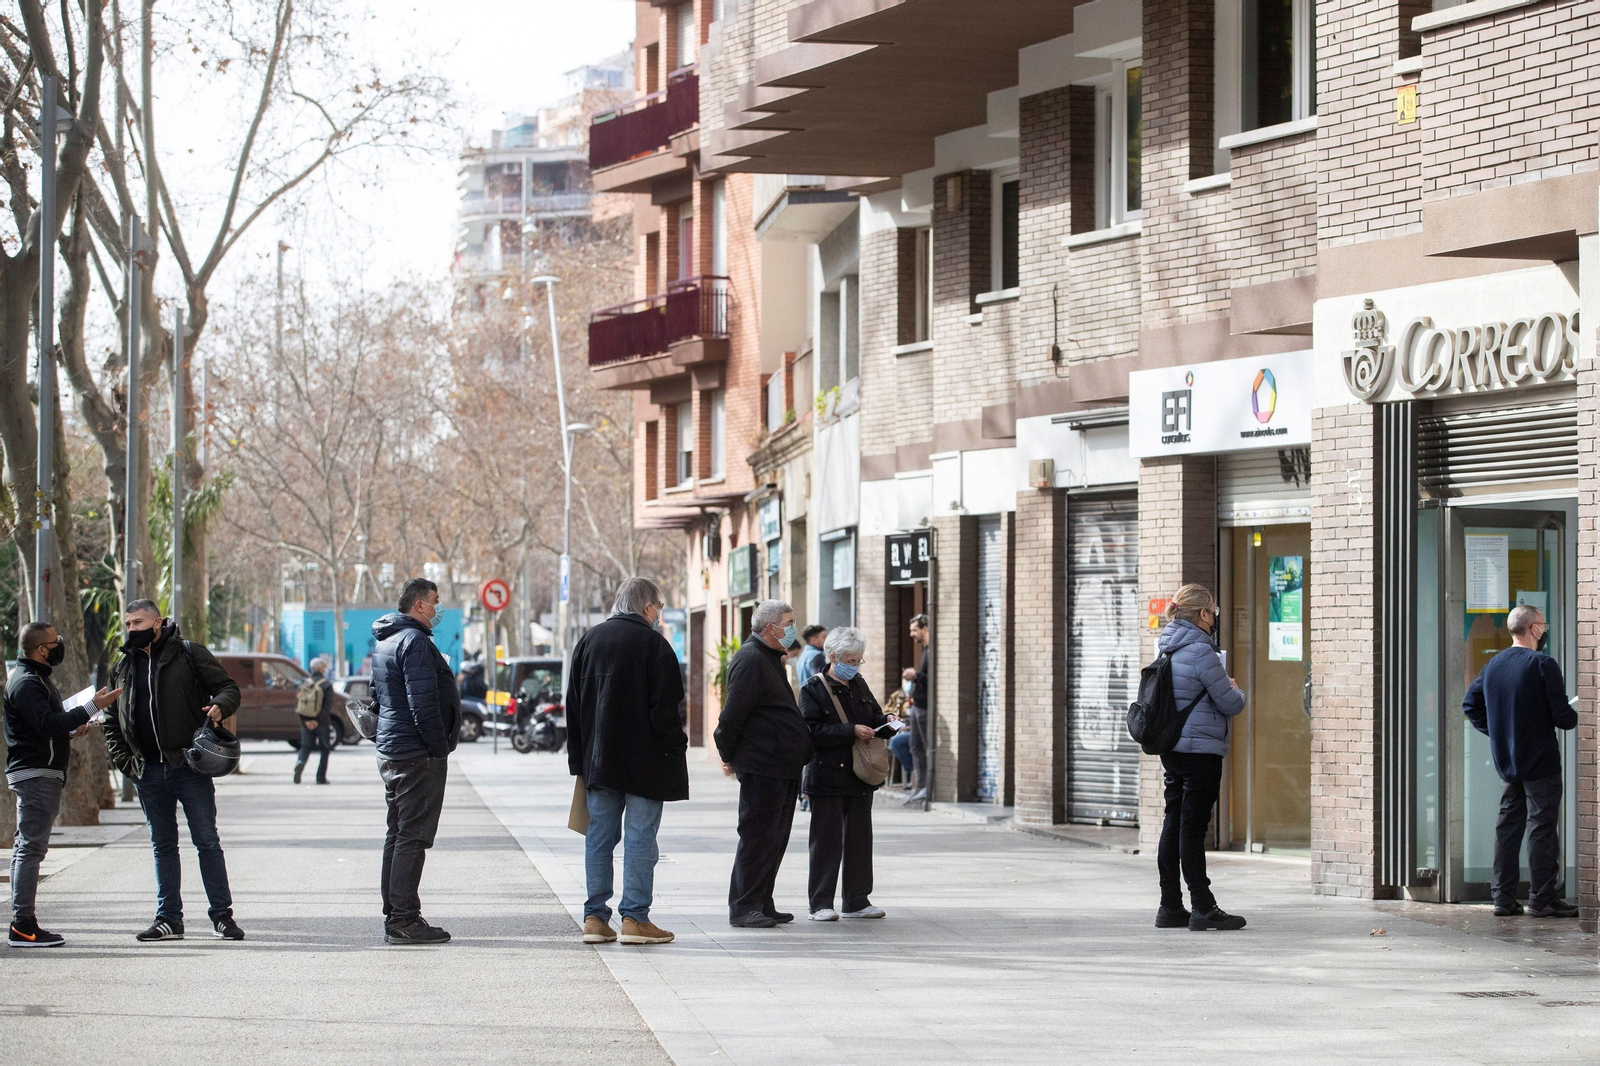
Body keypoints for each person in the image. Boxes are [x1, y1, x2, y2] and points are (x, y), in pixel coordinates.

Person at [102, 599, 245, 942]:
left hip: (189, 767)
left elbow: (229, 688)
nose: (131, 629)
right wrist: (127, 764)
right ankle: (168, 919)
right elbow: (110, 720)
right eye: (128, 624)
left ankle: (222, 917)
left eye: (138, 623)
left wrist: (219, 706)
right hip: (147, 772)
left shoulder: (189, 654)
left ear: (158, 622)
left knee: (207, 842)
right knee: (162, 845)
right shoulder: (122, 666)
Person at [566, 577, 687, 947]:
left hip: (599, 762)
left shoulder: (589, 641)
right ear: (648, 607)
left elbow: (574, 707)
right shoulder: (655, 646)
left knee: (599, 837)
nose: (660, 614)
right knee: (639, 838)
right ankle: (634, 918)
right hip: (646, 762)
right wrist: (676, 748)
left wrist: (580, 762)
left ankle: (595, 918)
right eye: (660, 606)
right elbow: (666, 712)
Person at [5, 622, 120, 947]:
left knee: (26, 847)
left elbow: (45, 727)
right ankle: (23, 925)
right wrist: (91, 707)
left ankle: (22, 922)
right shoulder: (27, 682)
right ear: (41, 649)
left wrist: (72, 728)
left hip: (39, 771)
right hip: (35, 774)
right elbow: (45, 724)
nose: (60, 644)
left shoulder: (36, 680)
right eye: (56, 641)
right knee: (31, 848)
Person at [1462, 604, 1580, 918]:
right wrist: (1576, 711)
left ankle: (1502, 899)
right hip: (1541, 761)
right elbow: (1564, 718)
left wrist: (1500, 732)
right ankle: (1541, 900)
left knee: (1507, 829)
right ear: (1534, 629)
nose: (1545, 630)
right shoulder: (1543, 664)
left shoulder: (1493, 665)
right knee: (1541, 828)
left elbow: (1470, 705)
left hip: (1507, 762)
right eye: (1544, 625)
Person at [371, 577, 462, 945]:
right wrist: (438, 747)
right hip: (415, 754)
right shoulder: (415, 642)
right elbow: (422, 703)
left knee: (398, 833)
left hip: (393, 750)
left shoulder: (387, 641)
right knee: (412, 836)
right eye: (436, 601)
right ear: (420, 605)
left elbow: (377, 696)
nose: (438, 609)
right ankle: (404, 919)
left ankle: (396, 913)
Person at [714, 599, 813, 928]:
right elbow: (731, 716)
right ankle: (744, 906)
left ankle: (762, 900)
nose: (793, 629)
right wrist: (727, 755)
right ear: (770, 628)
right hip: (762, 766)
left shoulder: (770, 659)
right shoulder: (751, 659)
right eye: (789, 622)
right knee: (758, 836)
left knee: (775, 837)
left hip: (782, 766)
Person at [1154, 585, 1247, 932]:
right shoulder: (1201, 651)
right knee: (1192, 830)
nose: (1214, 619)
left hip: (1173, 748)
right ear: (1204, 614)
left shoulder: (1167, 647)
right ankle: (1203, 907)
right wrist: (1235, 687)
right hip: (1201, 752)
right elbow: (1231, 703)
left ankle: (1170, 905)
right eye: (1214, 613)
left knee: (1173, 822)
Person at [799, 626, 891, 921]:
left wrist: (887, 721)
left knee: (860, 840)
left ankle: (857, 900)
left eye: (858, 661)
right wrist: (849, 731)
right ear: (833, 656)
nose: (854, 666)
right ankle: (821, 903)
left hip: (859, 776)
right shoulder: (812, 689)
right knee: (826, 842)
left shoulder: (859, 684)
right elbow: (809, 731)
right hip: (826, 776)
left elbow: (873, 716)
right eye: (850, 661)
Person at [899, 614, 930, 803]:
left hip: (926, 708)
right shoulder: (925, 650)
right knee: (915, 746)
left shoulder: (932, 650)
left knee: (925, 747)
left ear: (925, 629)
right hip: (918, 706)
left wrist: (914, 676)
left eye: (914, 630)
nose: (911, 634)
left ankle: (926, 787)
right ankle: (920, 786)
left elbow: (931, 679)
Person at [293, 656, 334, 785]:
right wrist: (317, 721)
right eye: (324, 666)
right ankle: (321, 777)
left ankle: (300, 763)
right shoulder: (327, 685)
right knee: (325, 749)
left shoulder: (303, 684)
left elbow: (298, 706)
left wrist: (306, 721)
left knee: (305, 747)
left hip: (306, 722)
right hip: (322, 722)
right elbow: (327, 707)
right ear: (321, 668)